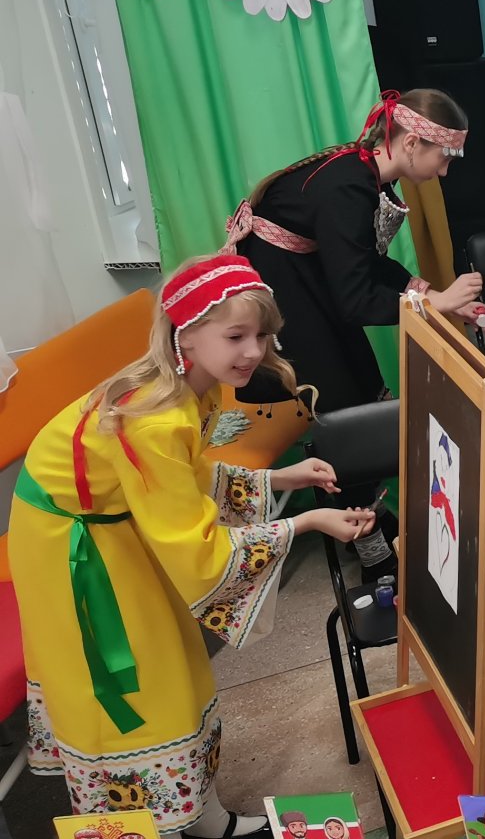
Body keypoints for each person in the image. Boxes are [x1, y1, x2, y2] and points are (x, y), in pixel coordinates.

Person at [11, 256, 375, 837]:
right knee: (130, 687)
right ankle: (138, 822)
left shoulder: (191, 387)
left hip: (114, 522)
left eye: (263, 335)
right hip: (75, 547)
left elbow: (182, 474)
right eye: (236, 336)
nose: (254, 351)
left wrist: (279, 477)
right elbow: (200, 551)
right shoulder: (157, 418)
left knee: (175, 668)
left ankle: (198, 814)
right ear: (186, 335)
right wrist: (304, 523)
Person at [228, 88, 484, 581]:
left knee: (361, 385)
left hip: (305, 280)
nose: (445, 171)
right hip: (285, 292)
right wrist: (433, 304)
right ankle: (371, 553)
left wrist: (434, 296)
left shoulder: (365, 171)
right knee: (344, 410)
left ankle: (370, 514)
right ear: (411, 143)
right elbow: (354, 300)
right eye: (445, 156)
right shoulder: (348, 186)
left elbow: (364, 262)